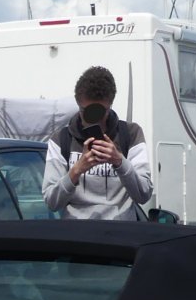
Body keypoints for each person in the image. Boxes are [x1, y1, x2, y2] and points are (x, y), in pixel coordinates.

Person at [42, 65, 154, 220]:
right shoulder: (61, 140)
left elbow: (144, 194)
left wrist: (119, 162)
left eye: (100, 112)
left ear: (110, 106)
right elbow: (51, 202)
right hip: (78, 232)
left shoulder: (130, 134)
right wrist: (76, 170)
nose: (94, 119)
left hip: (119, 232)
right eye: (86, 112)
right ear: (78, 105)